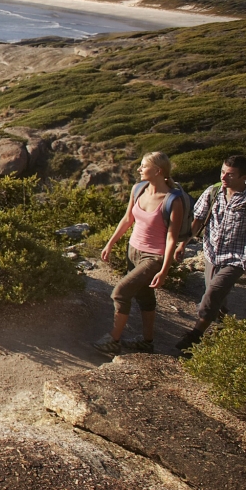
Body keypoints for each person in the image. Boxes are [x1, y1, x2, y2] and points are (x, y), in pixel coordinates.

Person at [175, 154, 246, 355]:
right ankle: (223, 323)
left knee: (212, 293)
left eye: (230, 174)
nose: (223, 177)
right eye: (222, 172)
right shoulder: (213, 192)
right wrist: (183, 244)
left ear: (244, 177)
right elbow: (198, 220)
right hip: (212, 252)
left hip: (238, 258)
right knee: (214, 294)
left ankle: (194, 337)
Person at [94, 151, 183, 356]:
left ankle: (113, 340)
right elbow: (127, 219)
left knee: (120, 292)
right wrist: (110, 243)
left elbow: (172, 238)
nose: (139, 169)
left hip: (153, 257)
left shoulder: (172, 201)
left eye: (143, 166)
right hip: (133, 250)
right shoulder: (138, 189)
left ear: (157, 171)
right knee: (144, 296)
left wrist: (164, 270)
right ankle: (147, 342)